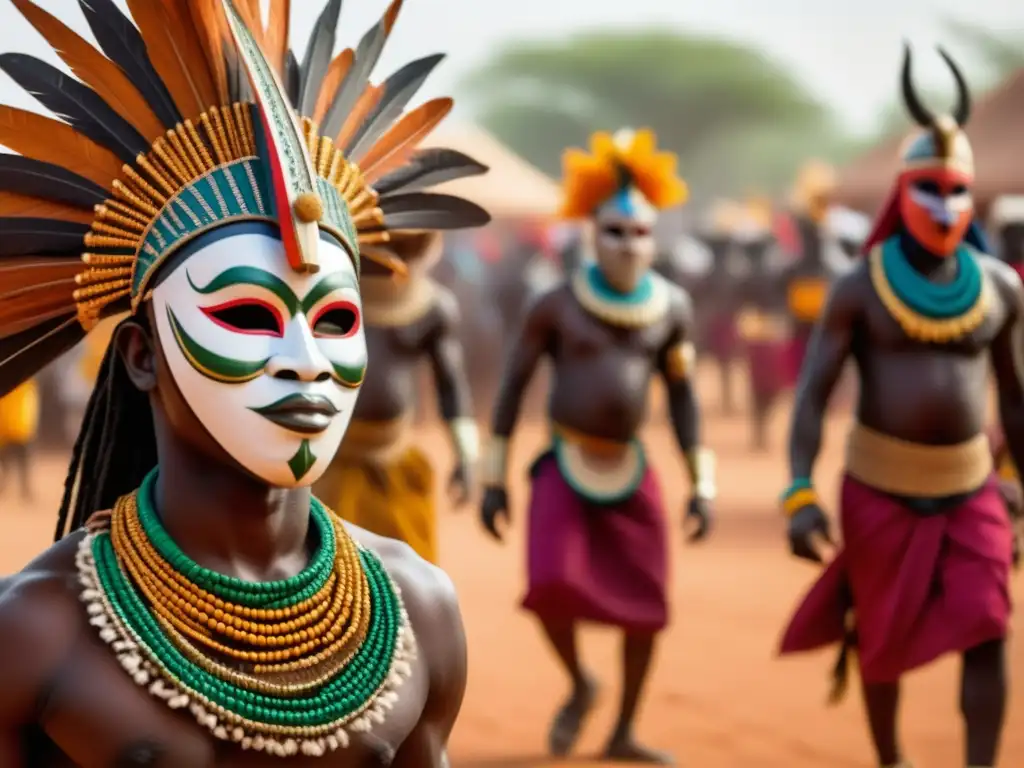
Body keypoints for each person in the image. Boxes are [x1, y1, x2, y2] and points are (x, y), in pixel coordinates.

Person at [0, 0, 491, 763]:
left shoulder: (418, 610)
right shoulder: (35, 633)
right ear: (141, 355)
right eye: (249, 315)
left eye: (333, 320)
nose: (306, 358)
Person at [778, 45, 1022, 768]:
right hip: (878, 489)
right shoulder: (858, 288)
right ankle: (891, 760)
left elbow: (1013, 397)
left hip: (970, 487)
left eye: (957, 191)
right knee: (880, 640)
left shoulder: (1002, 289)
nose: (945, 206)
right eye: (930, 189)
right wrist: (798, 492)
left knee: (989, 624)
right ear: (902, 191)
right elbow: (814, 396)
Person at [479, 128, 715, 764]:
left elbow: (685, 398)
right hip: (564, 463)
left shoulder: (674, 308)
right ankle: (581, 682)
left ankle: (623, 731)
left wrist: (703, 482)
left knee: (646, 604)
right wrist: (494, 477)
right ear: (590, 231)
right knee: (550, 583)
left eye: (641, 232)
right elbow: (511, 389)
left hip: (632, 468)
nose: (630, 244)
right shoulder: (554, 305)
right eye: (615, 231)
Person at [312, 229, 479, 564]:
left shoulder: (433, 308)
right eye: (381, 243)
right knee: (329, 565)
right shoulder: (319, 299)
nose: (389, 257)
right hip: (328, 463)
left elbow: (451, 385)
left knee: (409, 570)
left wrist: (466, 455)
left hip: (395, 463)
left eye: (401, 245)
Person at [734, 198, 790, 451]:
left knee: (764, 385)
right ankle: (760, 427)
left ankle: (761, 426)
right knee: (765, 385)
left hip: (765, 331)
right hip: (764, 331)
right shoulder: (760, 272)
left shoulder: (778, 270)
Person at [0, 377, 39, 502]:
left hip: (15, 426)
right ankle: (20, 489)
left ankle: (23, 490)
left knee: (15, 461)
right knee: (12, 461)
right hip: (14, 425)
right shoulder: (26, 380)